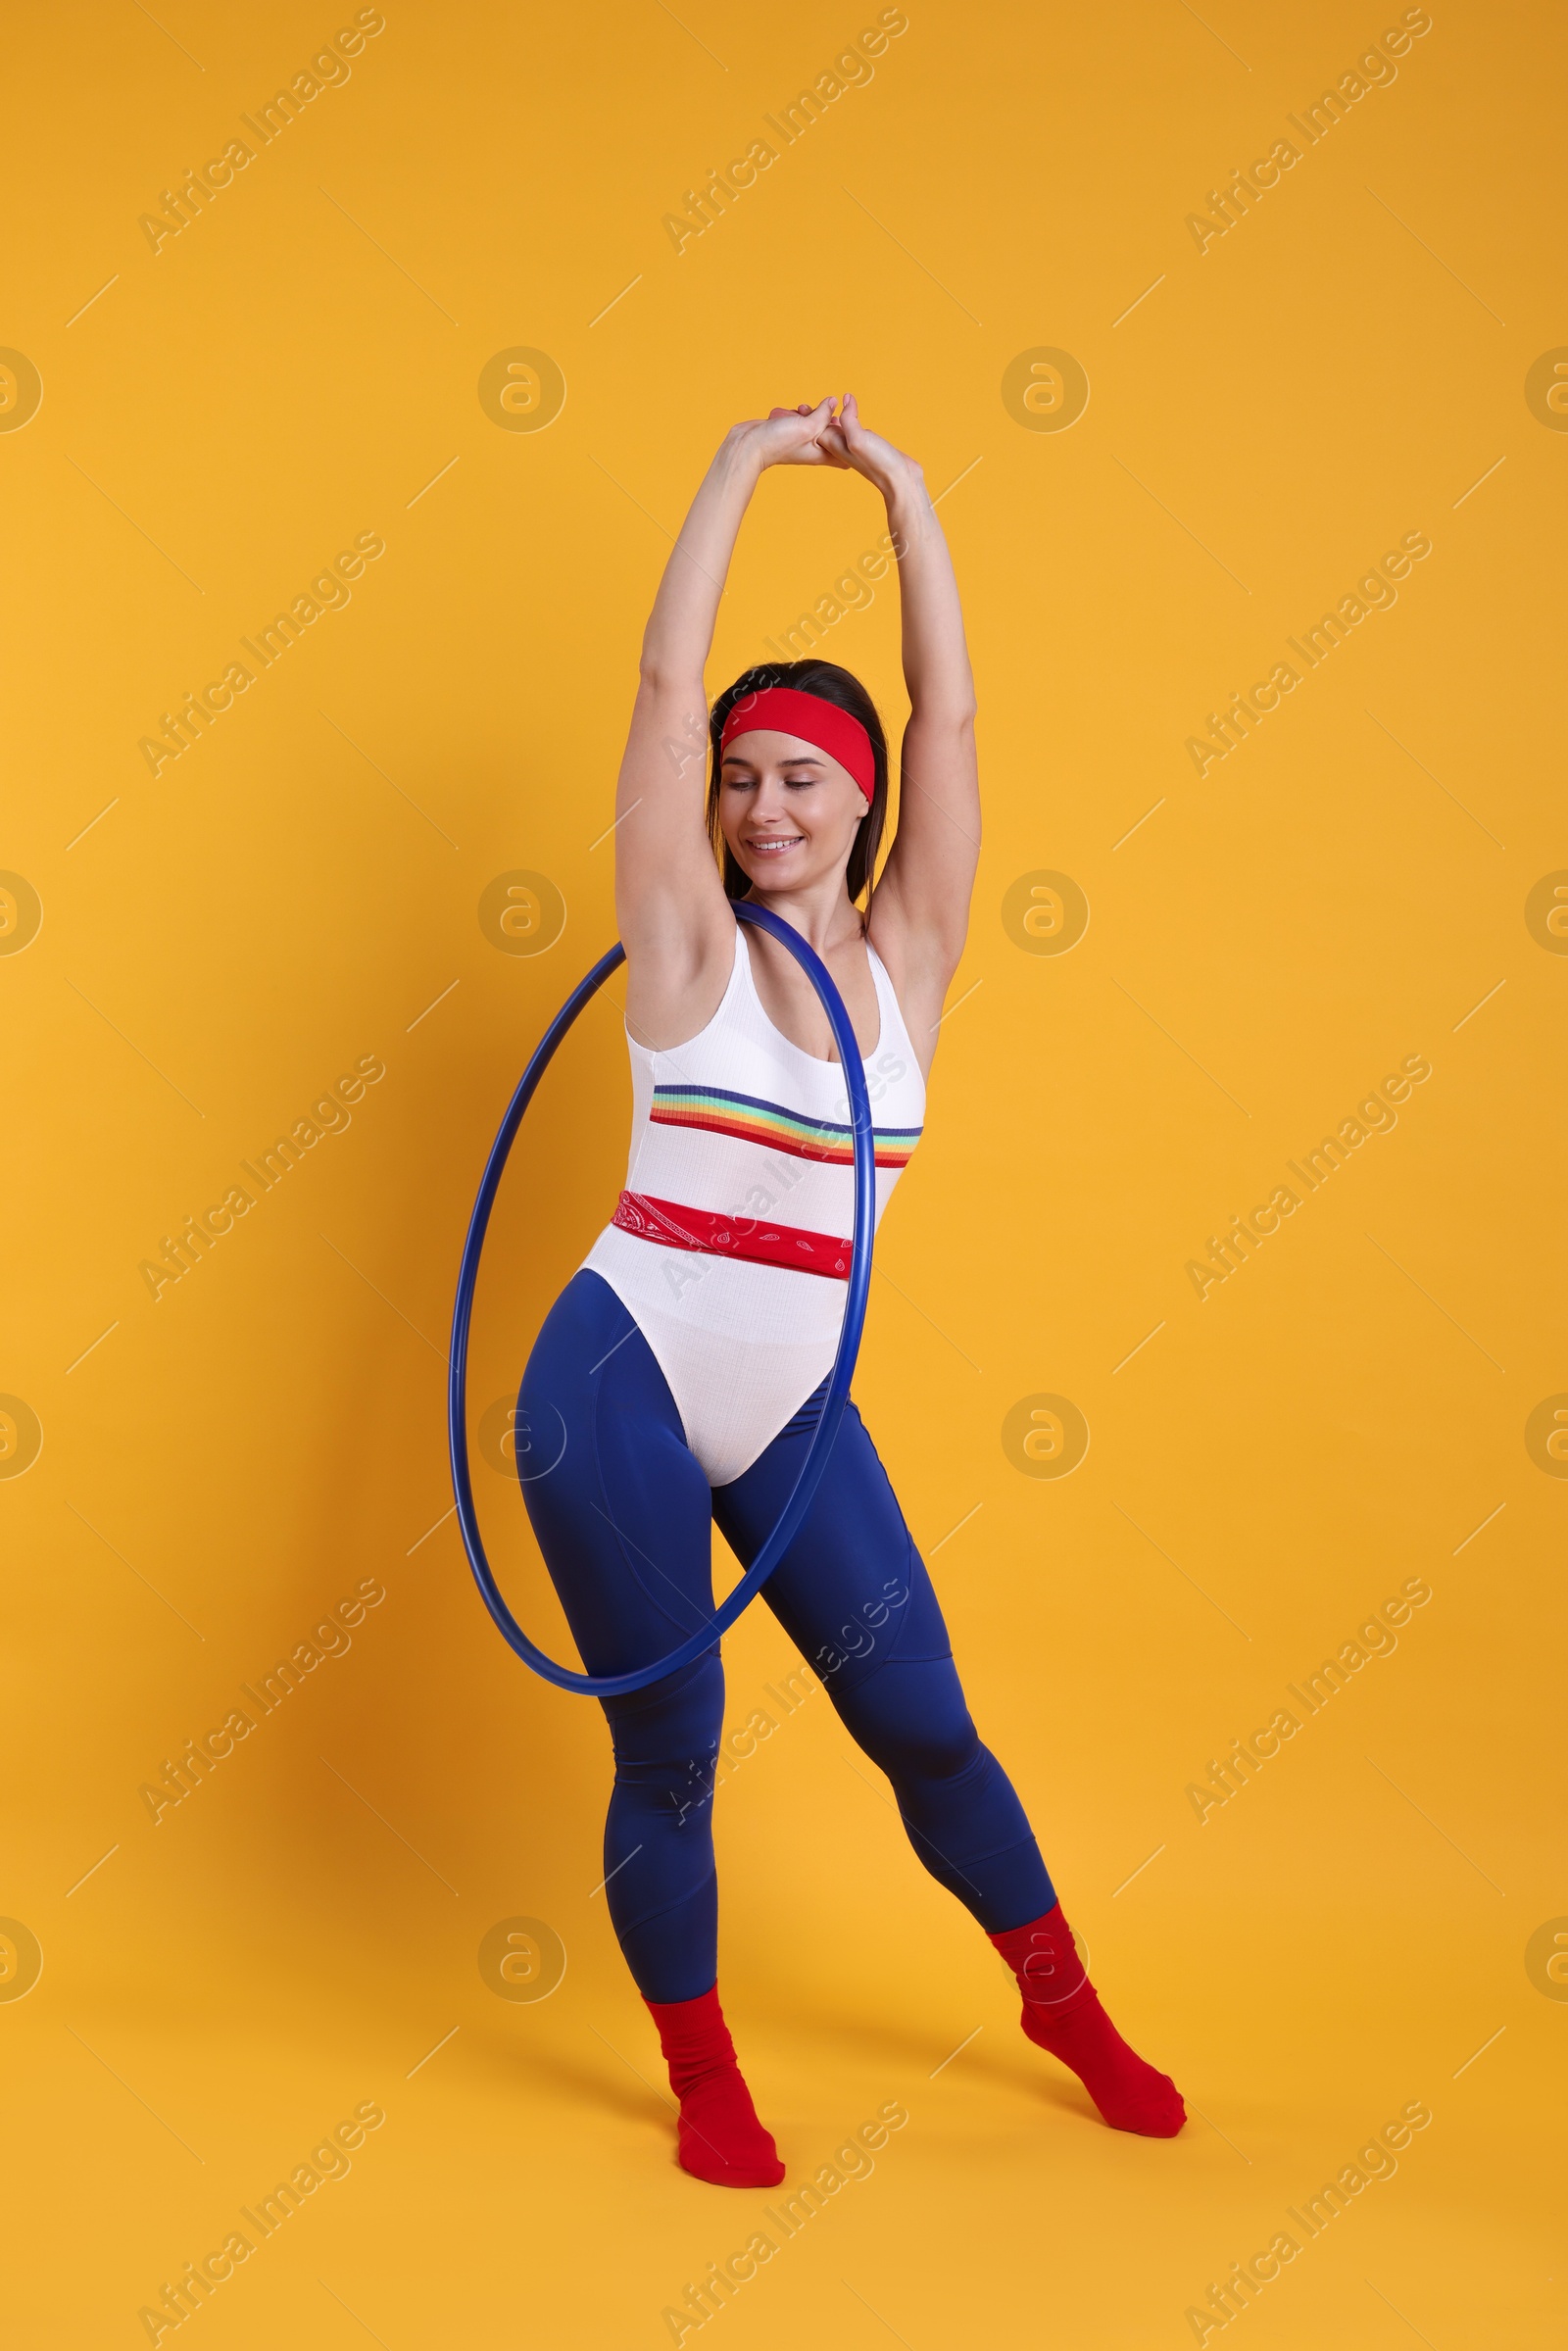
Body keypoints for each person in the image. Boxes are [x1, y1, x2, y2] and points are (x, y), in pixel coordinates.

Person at [516, 396, 1185, 2186]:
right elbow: (664, 699)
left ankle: (1065, 2004)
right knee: (678, 1741)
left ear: (862, 797)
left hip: (795, 1409)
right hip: (622, 1381)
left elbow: (954, 715)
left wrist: (900, 492)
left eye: (800, 775)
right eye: (741, 779)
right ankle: (704, 2073)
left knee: (926, 1722)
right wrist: (733, 464)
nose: (761, 805)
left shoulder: (914, 964)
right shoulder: (682, 944)